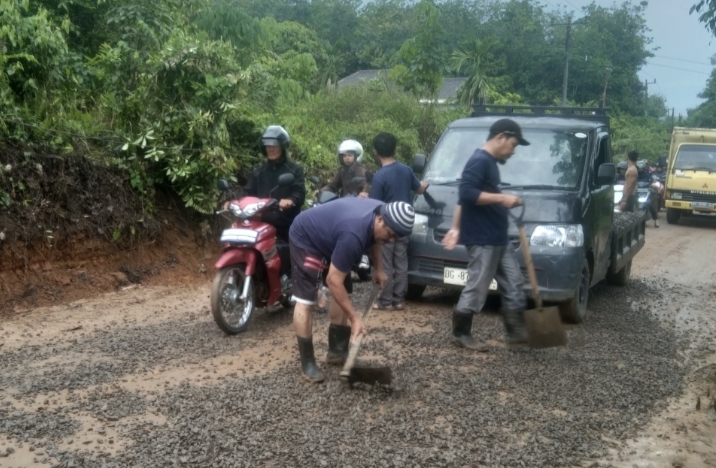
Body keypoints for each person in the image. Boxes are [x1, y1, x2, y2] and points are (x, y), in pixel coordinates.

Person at [288, 198, 415, 382]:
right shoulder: (353, 235)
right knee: (307, 301)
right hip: (307, 237)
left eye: (396, 238)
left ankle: (337, 352)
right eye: (390, 234)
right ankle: (307, 363)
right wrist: (354, 318)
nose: (390, 240)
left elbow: (376, 239)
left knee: (343, 290)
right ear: (379, 219)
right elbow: (333, 281)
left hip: (334, 237)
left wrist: (378, 268)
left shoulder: (382, 214)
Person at [441, 118, 529, 351]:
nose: (513, 151)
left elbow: (463, 200)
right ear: (500, 137)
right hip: (482, 238)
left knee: (514, 282)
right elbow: (467, 193)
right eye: (513, 144)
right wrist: (503, 198)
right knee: (478, 285)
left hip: (498, 237)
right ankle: (460, 332)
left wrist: (455, 227)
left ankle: (516, 334)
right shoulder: (479, 160)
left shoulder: (489, 163)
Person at [369, 132, 429, 311]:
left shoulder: (379, 176)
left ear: (375, 152)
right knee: (401, 262)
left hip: (387, 227)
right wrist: (425, 185)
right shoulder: (406, 170)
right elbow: (419, 189)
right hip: (404, 225)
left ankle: (385, 301)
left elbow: (374, 204)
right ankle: (399, 299)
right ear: (395, 149)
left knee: (385, 262)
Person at [238, 125, 306, 241]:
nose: (270, 148)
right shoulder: (258, 172)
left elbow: (299, 192)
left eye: (274, 145)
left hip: (287, 224)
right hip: (262, 223)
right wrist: (235, 202)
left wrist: (291, 200)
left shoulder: (295, 170)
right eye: (267, 145)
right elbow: (247, 192)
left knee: (294, 254)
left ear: (283, 146)